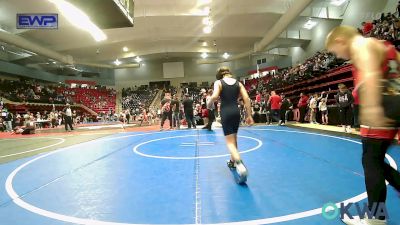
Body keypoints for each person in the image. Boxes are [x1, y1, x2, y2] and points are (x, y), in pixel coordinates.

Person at [326, 25, 400, 225]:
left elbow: (370, 74)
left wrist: (372, 107)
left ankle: (376, 217)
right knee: (375, 159)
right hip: (394, 105)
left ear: (341, 40)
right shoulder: (382, 45)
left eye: (335, 50)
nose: (338, 55)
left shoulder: (362, 45)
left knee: (370, 161)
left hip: (382, 107)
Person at [209, 67, 254, 179]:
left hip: (226, 112)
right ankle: (232, 161)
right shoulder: (238, 83)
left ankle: (239, 163)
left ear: (219, 75)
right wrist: (249, 115)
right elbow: (247, 98)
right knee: (234, 139)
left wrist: (209, 103)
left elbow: (214, 96)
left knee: (229, 143)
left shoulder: (218, 82)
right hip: (236, 112)